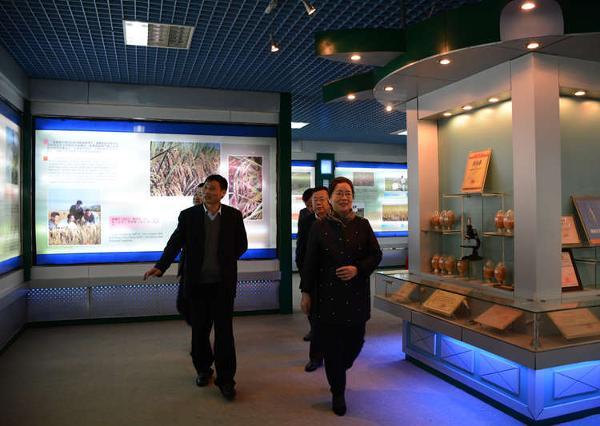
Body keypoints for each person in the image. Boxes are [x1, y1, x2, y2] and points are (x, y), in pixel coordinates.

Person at [144, 175, 247, 401]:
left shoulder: (233, 216)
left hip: (222, 286)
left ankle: (226, 380)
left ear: (222, 193)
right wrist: (160, 266)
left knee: (224, 333)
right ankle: (203, 369)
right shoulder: (189, 216)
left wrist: (225, 260)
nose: (207, 192)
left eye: (213, 189)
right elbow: (174, 243)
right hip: (197, 285)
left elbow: (242, 244)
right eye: (206, 188)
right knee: (199, 332)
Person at [300, 177, 382, 416]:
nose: (344, 198)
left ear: (352, 197)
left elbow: (376, 255)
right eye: (339, 193)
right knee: (333, 349)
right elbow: (310, 262)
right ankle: (338, 392)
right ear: (331, 198)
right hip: (327, 297)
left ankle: (339, 367)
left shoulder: (363, 225)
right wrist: (306, 292)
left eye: (348, 193)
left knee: (356, 342)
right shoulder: (319, 226)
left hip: (356, 295)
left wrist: (358, 269)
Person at [295, 186, 331, 372]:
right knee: (315, 318)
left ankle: (334, 355)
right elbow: (301, 250)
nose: (318, 204)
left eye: (322, 199)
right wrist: (305, 281)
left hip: (334, 279)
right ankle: (316, 358)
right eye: (315, 201)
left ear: (329, 201)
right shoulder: (307, 221)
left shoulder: (338, 221)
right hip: (314, 278)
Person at [177, 183, 204, 326]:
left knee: (198, 309)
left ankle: (200, 334)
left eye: (200, 194)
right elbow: (175, 243)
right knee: (183, 305)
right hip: (187, 270)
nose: (196, 197)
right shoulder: (187, 216)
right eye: (195, 194)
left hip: (205, 273)